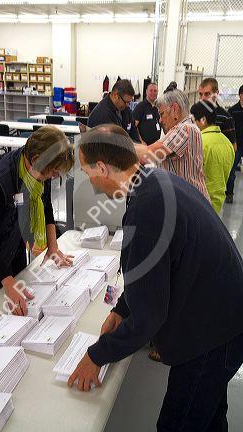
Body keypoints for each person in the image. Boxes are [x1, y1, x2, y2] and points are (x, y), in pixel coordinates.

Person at [69, 124, 243, 432]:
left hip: (213, 334)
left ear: (104, 168)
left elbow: (150, 317)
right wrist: (122, 308)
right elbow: (155, 268)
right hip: (227, 314)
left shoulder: (146, 208)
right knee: (210, 416)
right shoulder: (152, 179)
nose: (88, 179)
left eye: (87, 171)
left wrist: (96, 356)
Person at [0, 126, 74, 315]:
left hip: (13, 235)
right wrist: (7, 281)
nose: (54, 177)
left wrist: (53, 246)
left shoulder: (38, 167)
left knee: (24, 293)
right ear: (36, 160)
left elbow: (46, 205)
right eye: (53, 173)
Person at [135, 88, 210, 201]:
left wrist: (119, 145)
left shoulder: (185, 129)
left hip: (190, 202)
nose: (160, 120)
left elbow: (147, 155)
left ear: (175, 109)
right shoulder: (184, 128)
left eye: (162, 114)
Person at [191, 100, 234, 213]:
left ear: (203, 120)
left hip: (199, 203)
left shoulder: (199, 142)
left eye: (194, 120)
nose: (193, 124)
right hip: (218, 203)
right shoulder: (228, 143)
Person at [198, 77, 236, 149]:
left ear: (216, 93)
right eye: (200, 94)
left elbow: (233, 147)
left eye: (207, 94)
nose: (202, 98)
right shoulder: (196, 115)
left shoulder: (225, 117)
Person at [226, 84, 243, 203]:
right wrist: (233, 143)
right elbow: (229, 130)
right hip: (237, 145)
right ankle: (230, 193)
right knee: (231, 170)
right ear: (240, 95)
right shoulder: (232, 110)